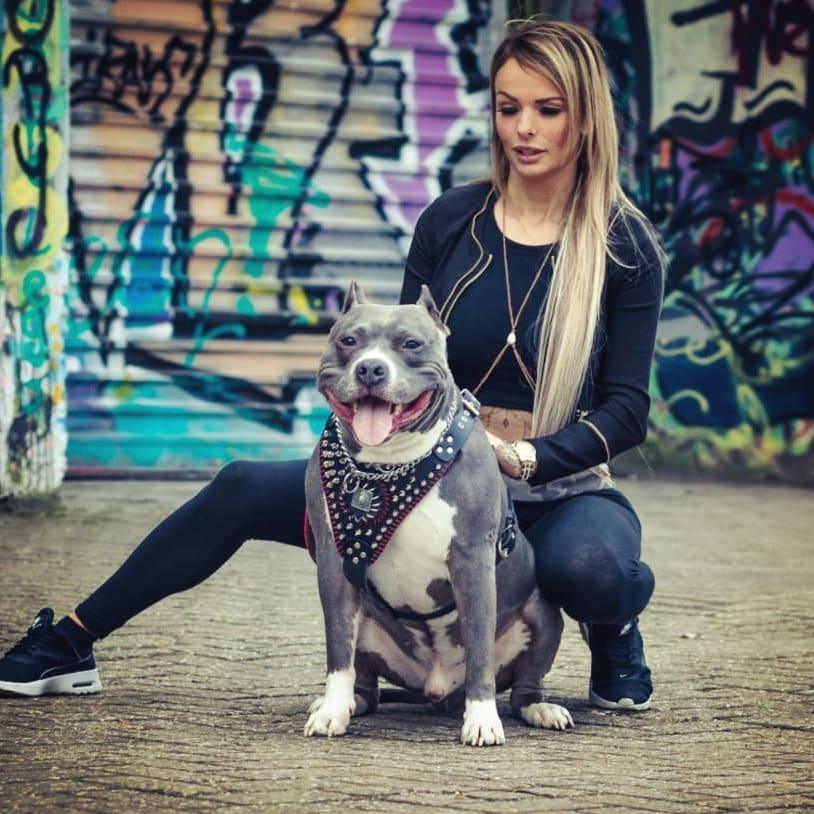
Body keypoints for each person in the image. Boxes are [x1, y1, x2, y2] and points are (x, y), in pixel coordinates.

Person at [0, 18, 664, 711]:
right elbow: (403, 358)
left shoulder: (625, 246)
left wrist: (525, 458)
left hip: (554, 490)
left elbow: (627, 410)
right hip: (426, 475)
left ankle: (614, 631)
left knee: (591, 568)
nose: (523, 128)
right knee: (240, 486)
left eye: (548, 110)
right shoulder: (451, 221)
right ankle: (71, 639)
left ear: (586, 118)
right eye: (507, 107)